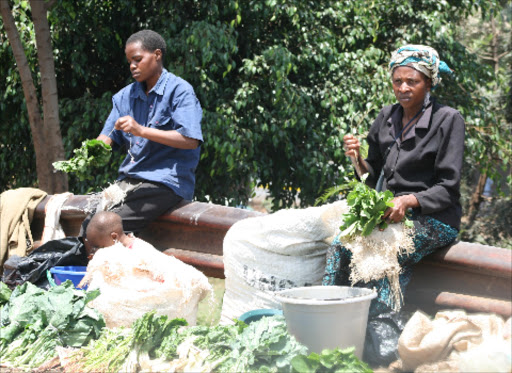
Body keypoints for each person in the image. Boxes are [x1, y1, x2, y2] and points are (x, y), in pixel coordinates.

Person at [323, 45, 465, 366]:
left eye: (412, 81)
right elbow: (370, 175)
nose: (403, 88)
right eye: (397, 80)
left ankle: (380, 347)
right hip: (390, 216)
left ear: (428, 83)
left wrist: (409, 200)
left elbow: (448, 187)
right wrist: (356, 158)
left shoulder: (448, 120)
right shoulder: (386, 117)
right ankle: (327, 321)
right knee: (340, 245)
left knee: (388, 252)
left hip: (433, 218)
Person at [81, 29, 203, 244]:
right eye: (129, 61)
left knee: (105, 229)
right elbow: (105, 139)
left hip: (165, 183)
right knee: (89, 226)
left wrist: (141, 130)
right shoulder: (124, 97)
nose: (132, 66)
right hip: (129, 182)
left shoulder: (180, 91)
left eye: (137, 59)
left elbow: (190, 140)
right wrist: (88, 154)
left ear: (157, 55)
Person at [85, 210, 157, 260]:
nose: (99, 251)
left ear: (114, 237)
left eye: (101, 247)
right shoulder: (122, 251)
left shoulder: (138, 252)